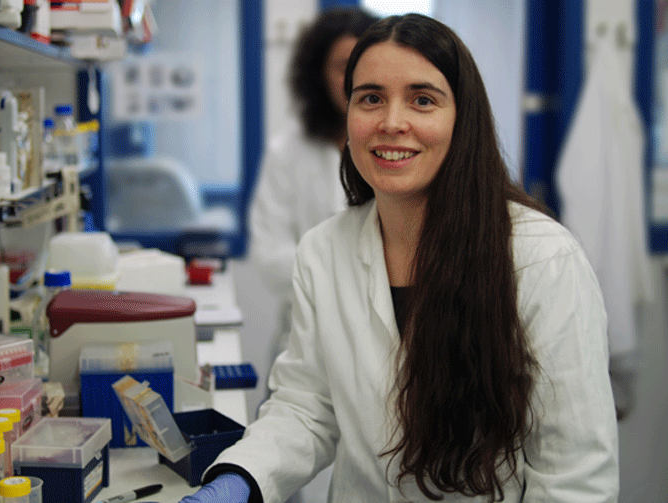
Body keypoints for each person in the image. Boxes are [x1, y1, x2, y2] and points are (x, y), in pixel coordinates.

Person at [182, 13, 618, 503]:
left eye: (422, 100)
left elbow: (574, 476)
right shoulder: (324, 251)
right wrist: (242, 477)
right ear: (349, 114)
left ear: (462, 117)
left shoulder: (543, 259)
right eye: (370, 98)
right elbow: (307, 407)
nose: (391, 123)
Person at [248, 7, 378, 383]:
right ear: (318, 73)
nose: (354, 80)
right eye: (342, 67)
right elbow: (269, 253)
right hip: (307, 340)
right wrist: (352, 279)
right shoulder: (288, 153)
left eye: (363, 66)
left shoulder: (397, 147)